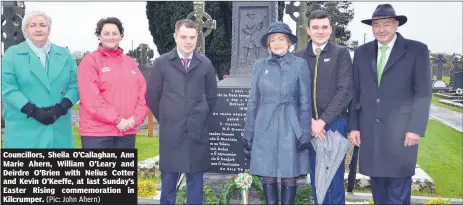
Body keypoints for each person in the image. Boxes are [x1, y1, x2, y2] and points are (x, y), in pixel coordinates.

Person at [348, 4, 432, 204]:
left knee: (398, 189)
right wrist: (353, 127)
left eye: (386, 24)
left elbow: (423, 93)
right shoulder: (361, 52)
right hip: (371, 132)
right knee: (378, 190)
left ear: (396, 25)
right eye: (376, 25)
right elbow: (355, 92)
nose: (381, 29)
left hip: (402, 134)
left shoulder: (416, 50)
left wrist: (415, 129)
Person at [146, 19, 218, 204]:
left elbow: (211, 97)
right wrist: (168, 118)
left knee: (195, 186)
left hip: (196, 135)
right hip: (172, 135)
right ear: (175, 37)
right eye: (184, 37)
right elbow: (152, 97)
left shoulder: (205, 64)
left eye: (192, 37)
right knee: (168, 186)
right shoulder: (162, 63)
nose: (188, 41)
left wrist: (198, 118)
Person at [242, 21, 312, 205]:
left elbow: (305, 102)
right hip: (265, 124)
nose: (277, 43)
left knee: (289, 174)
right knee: (268, 174)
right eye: (273, 40)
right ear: (268, 44)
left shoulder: (300, 65)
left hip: (291, 125)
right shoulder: (259, 65)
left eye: (281, 39)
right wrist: (248, 131)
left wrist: (304, 132)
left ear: (289, 43)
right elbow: (253, 100)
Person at [294, 10, 353, 204]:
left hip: (335, 125)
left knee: (334, 180)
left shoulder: (341, 54)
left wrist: (323, 122)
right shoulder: (299, 57)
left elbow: (345, 90)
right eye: (316, 27)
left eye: (325, 27)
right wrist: (310, 122)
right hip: (309, 126)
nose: (320, 31)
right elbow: (295, 92)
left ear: (330, 29)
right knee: (317, 179)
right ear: (308, 31)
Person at [1, 11, 79, 148]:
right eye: (33, 25)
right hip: (24, 127)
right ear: (25, 29)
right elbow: (8, 88)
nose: (38, 29)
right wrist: (33, 111)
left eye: (42, 25)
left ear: (49, 29)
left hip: (58, 128)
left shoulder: (65, 55)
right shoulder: (11, 55)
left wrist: (61, 108)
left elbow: (75, 85)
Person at [77, 17, 148, 148]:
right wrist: (117, 120)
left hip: (126, 131)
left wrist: (135, 120)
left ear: (121, 35)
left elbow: (142, 94)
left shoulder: (131, 63)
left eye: (115, 33)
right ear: (99, 36)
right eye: (106, 33)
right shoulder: (90, 62)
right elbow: (91, 99)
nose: (111, 37)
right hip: (97, 134)